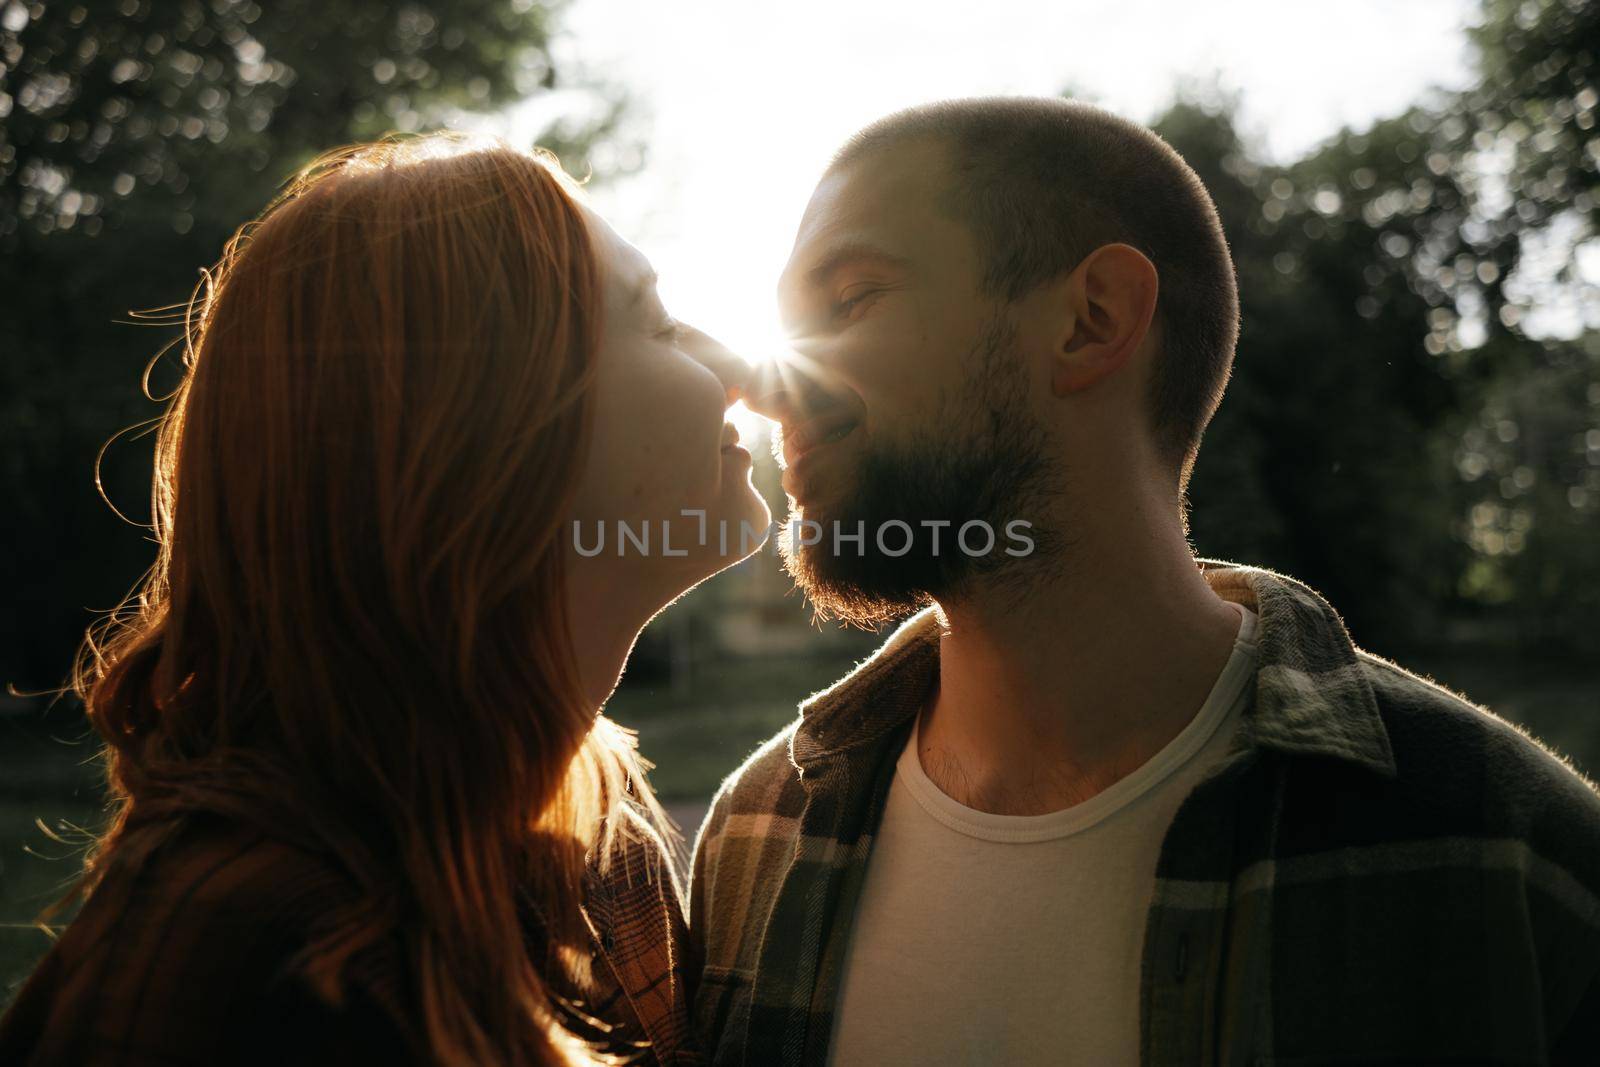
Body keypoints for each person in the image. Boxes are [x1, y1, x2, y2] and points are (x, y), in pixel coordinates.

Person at [688, 97, 1600, 1065]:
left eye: (852, 297)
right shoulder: (758, 833)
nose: (758, 385)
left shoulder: (1510, 859)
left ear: (1091, 320)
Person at [0, 133, 768, 1065]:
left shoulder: (596, 840)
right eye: (657, 323)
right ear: (490, 434)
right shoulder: (247, 959)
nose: (735, 365)